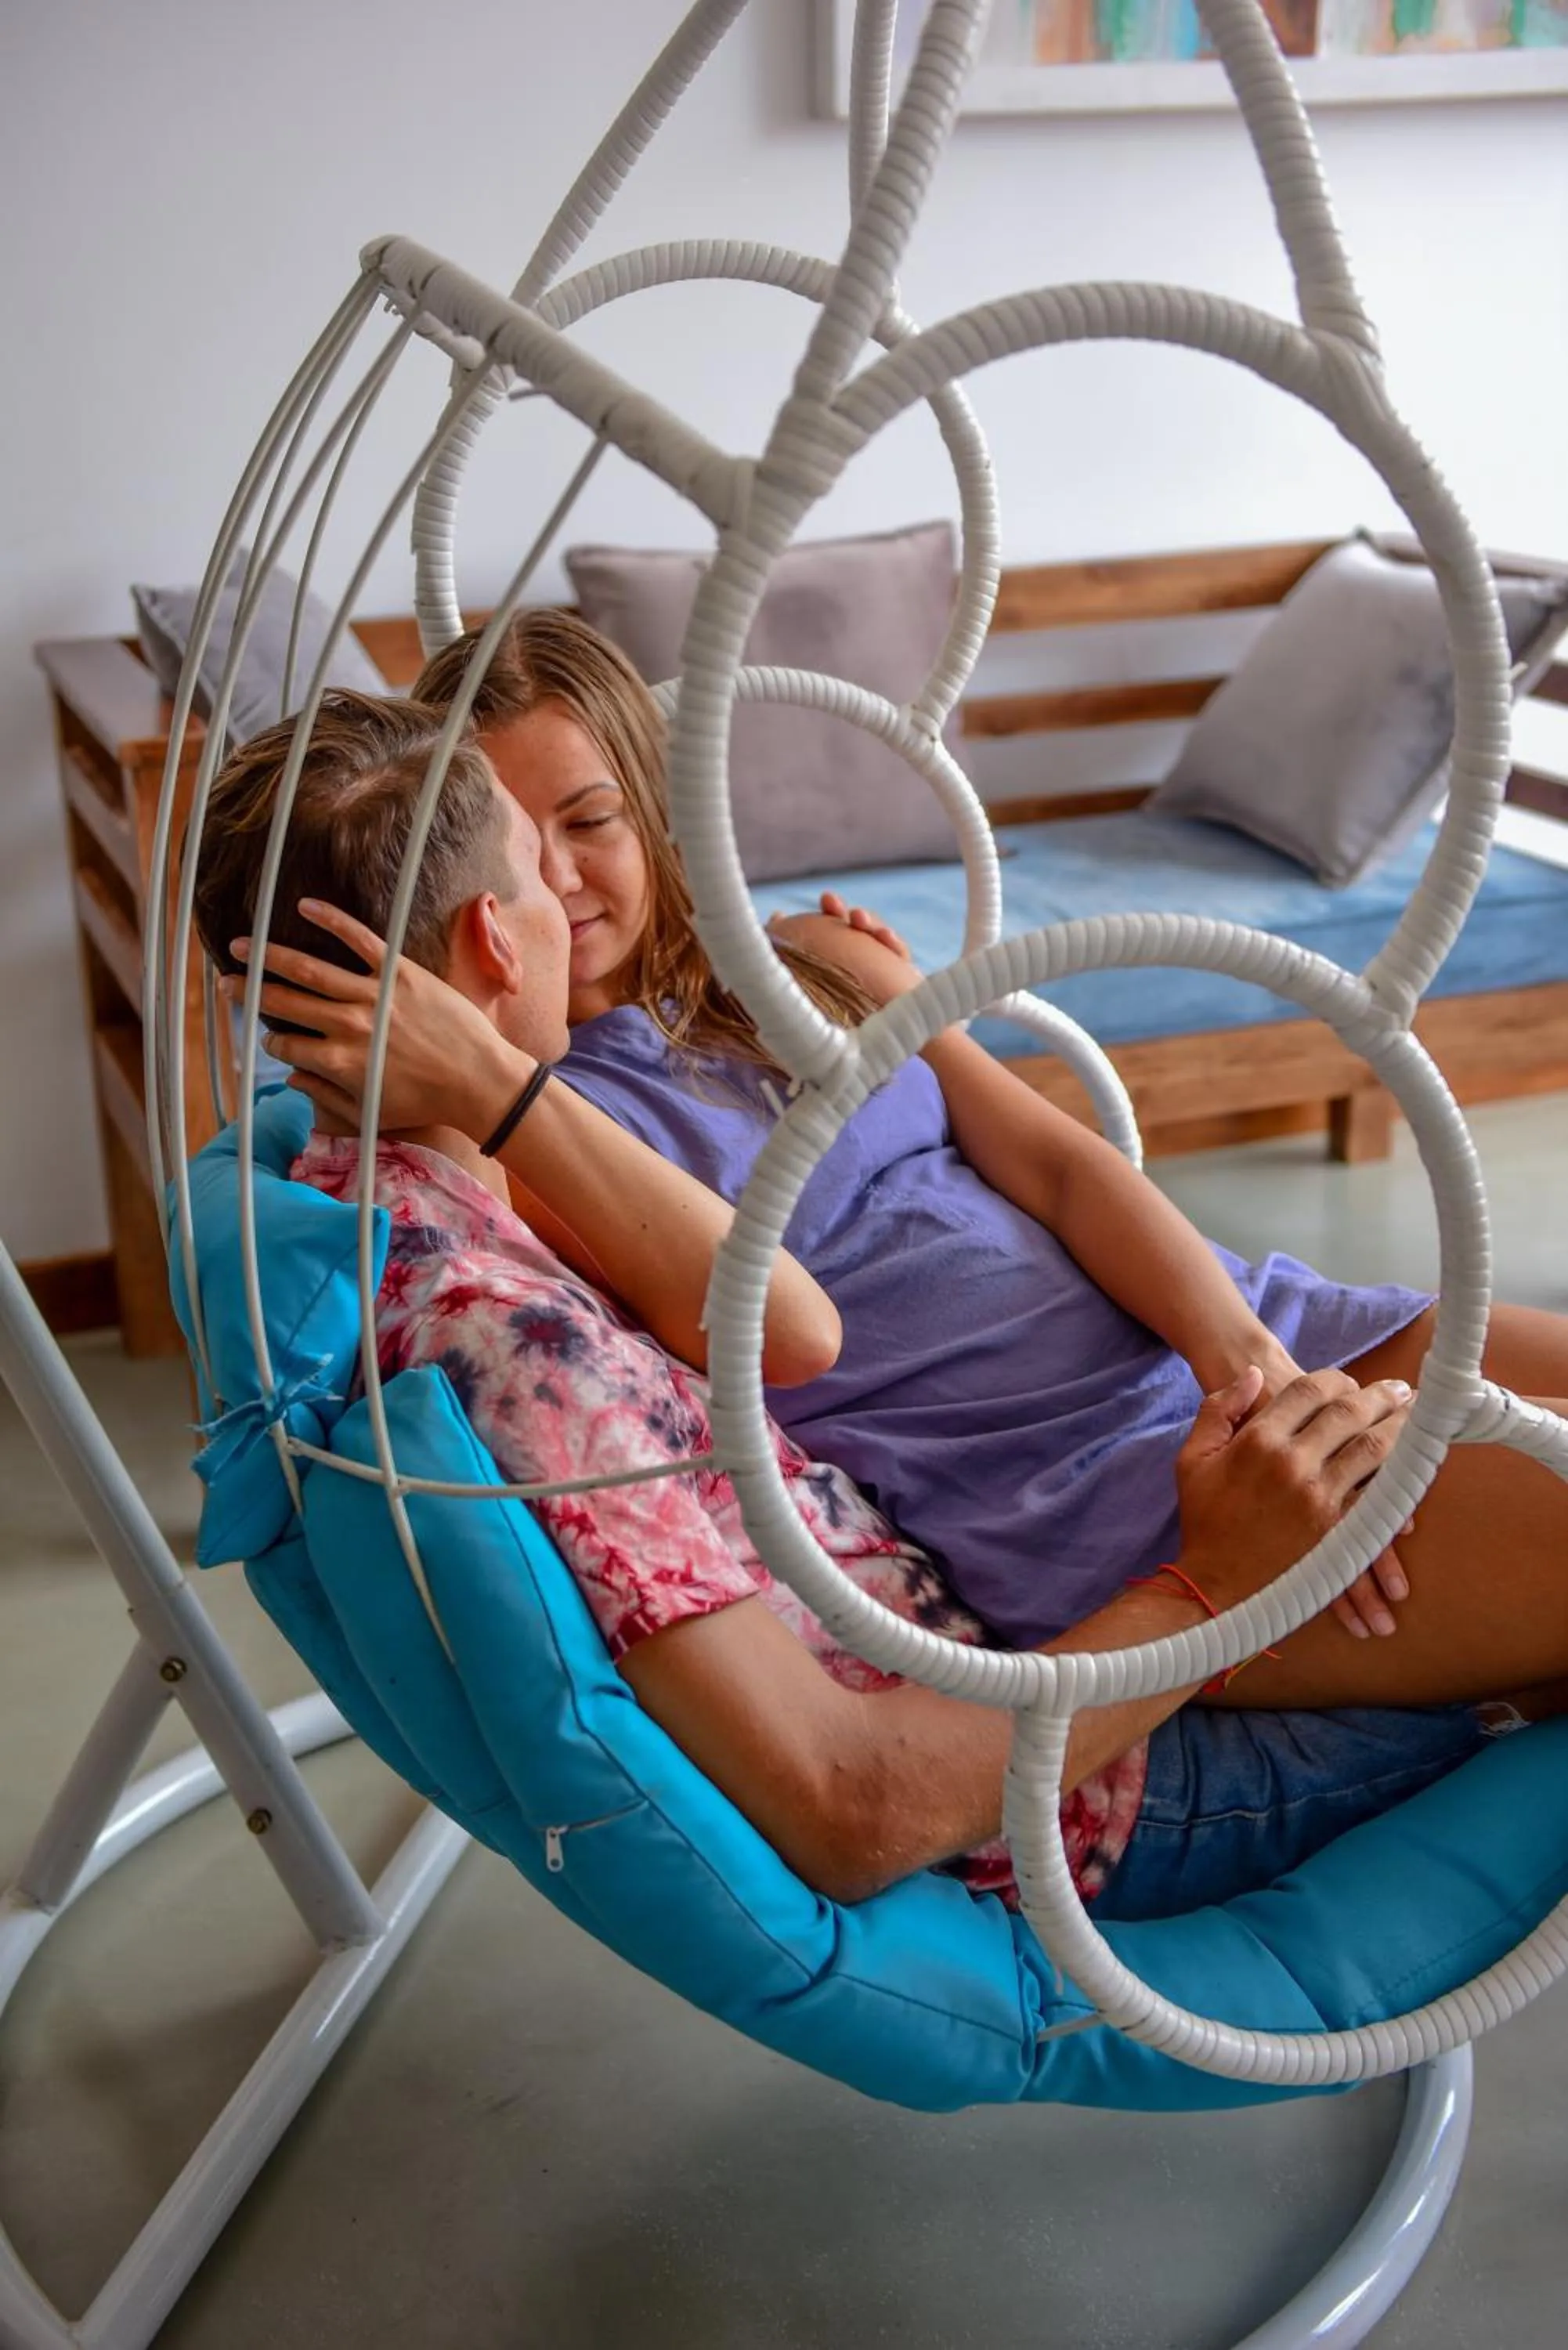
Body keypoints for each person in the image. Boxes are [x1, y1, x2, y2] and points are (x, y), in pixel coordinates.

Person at [215, 696, 1568, 1925]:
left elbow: (1052, 1160)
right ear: (483, 932)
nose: (564, 882)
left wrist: (1245, 1356)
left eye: (591, 821)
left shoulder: (768, 981)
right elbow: (784, 1326)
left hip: (1230, 1342)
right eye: (529, 851)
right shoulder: (515, 1173)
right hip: (1107, 1488)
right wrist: (499, 1081)